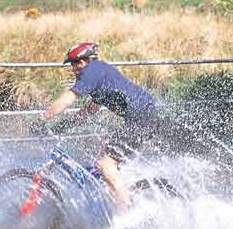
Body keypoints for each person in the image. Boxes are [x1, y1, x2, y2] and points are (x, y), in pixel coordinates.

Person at [36, 42, 158, 208]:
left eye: (75, 64)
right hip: (142, 116)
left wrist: (42, 118)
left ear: (84, 61)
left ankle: (127, 213)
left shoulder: (91, 71)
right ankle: (118, 192)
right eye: (72, 65)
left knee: (105, 164)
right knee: (103, 153)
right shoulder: (99, 72)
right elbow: (90, 110)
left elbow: (68, 99)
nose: (73, 69)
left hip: (141, 118)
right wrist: (63, 125)